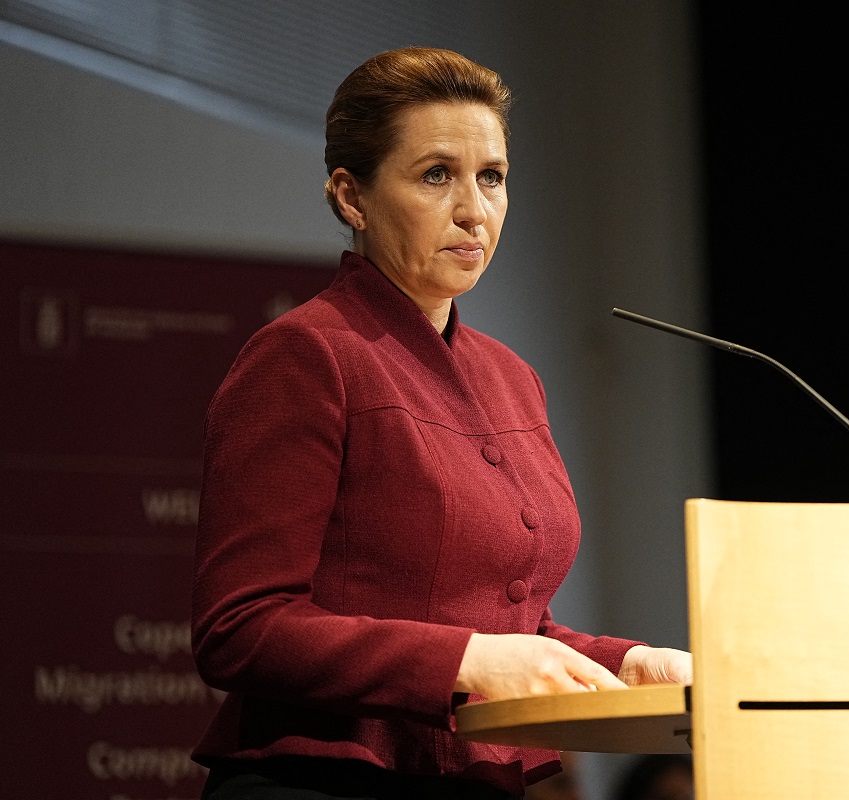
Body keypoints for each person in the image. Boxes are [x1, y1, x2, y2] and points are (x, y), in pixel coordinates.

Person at [189, 46, 692, 800]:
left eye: (492, 177)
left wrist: (626, 663)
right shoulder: (305, 355)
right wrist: (467, 662)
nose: (473, 210)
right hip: (324, 781)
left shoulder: (512, 379)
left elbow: (508, 626)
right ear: (351, 197)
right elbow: (241, 628)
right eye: (435, 175)